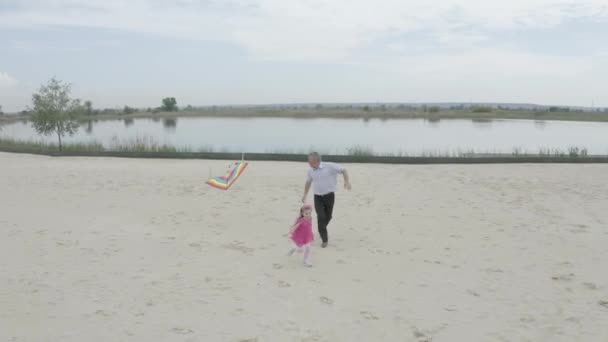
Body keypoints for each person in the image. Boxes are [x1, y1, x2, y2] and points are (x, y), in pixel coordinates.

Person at [301, 152, 351, 248]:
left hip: (329, 196)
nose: (308, 163)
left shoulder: (329, 166)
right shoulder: (310, 171)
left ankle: (321, 229)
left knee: (328, 216)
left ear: (316, 161)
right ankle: (325, 239)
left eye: (310, 161)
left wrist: (346, 181)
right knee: (321, 216)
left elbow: (344, 170)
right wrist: (305, 194)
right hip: (318, 197)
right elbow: (308, 182)